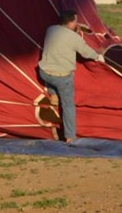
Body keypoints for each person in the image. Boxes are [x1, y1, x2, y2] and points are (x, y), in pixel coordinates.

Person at [37, 8, 106, 142]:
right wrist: (98, 57)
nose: (77, 23)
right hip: (62, 78)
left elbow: (63, 37)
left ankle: (53, 93)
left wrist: (74, 31)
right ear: (71, 22)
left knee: (50, 78)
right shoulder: (74, 38)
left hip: (44, 73)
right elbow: (86, 52)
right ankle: (70, 137)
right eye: (76, 21)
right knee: (68, 106)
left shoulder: (50, 30)